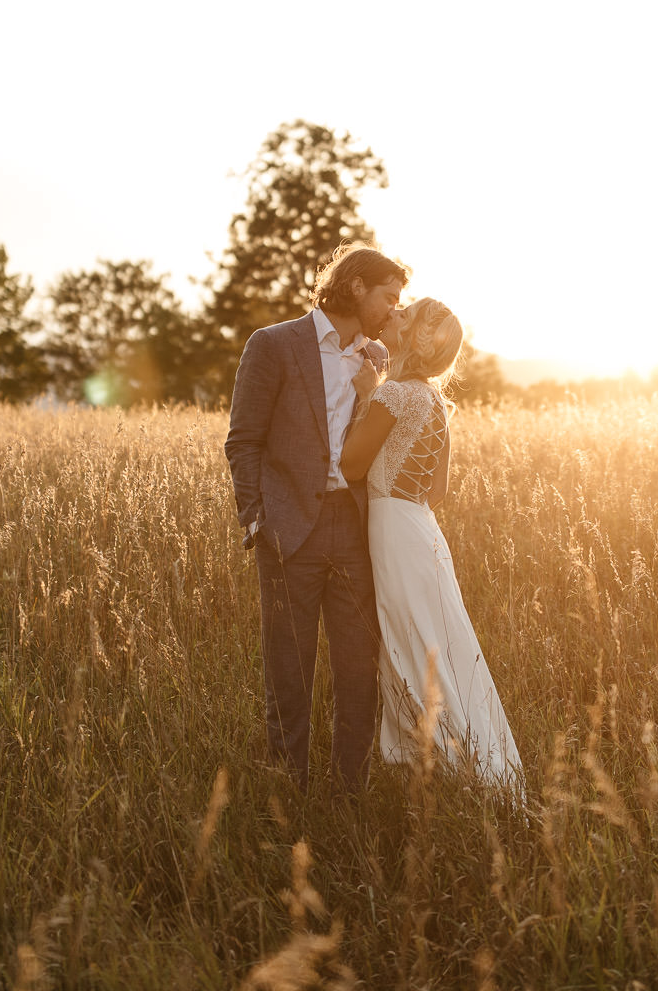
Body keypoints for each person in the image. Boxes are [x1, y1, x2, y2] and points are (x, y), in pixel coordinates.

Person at [223, 244, 408, 790]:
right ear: (355, 288)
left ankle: (351, 793)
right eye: (389, 296)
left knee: (358, 668)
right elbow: (244, 439)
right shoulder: (275, 345)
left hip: (355, 531)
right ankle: (287, 793)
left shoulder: (378, 359)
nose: (395, 308)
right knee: (288, 667)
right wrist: (255, 518)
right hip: (288, 530)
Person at [340, 297, 523, 794]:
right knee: (439, 646)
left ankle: (445, 766)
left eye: (405, 315)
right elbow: (436, 491)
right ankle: (472, 763)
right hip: (421, 530)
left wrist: (364, 396)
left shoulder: (394, 394)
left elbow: (352, 467)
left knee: (408, 642)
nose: (393, 316)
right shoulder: (435, 399)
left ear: (416, 337)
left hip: (395, 533)